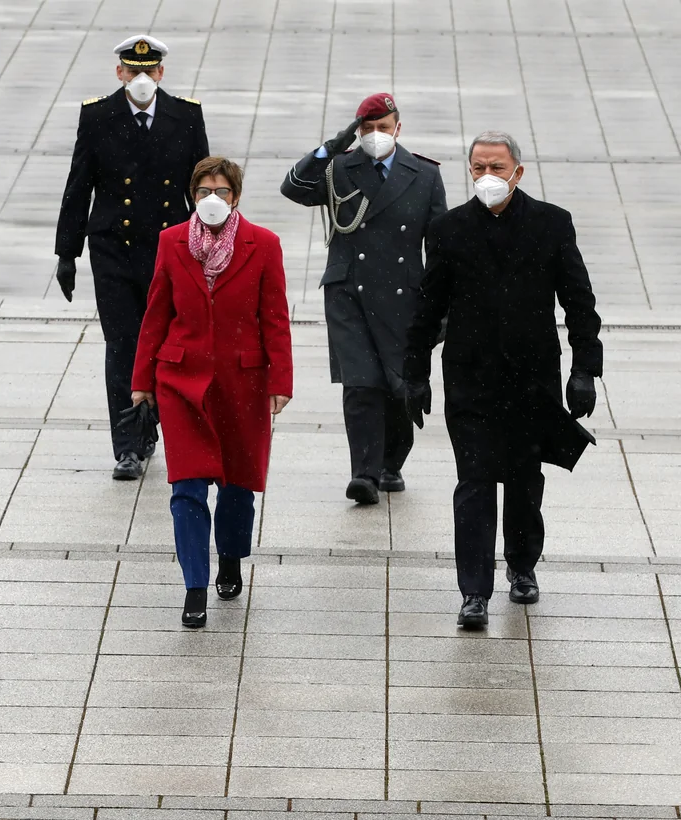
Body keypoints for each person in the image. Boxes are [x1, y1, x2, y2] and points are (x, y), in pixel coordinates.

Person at [404, 131, 602, 629]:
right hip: (470, 377)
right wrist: (415, 373)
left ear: (518, 170)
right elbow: (429, 306)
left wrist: (584, 369)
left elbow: (579, 300)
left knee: (523, 478)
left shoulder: (551, 223)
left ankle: (521, 565)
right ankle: (473, 591)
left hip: (532, 376)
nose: (487, 177)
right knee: (473, 482)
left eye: (496, 166)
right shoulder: (449, 230)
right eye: (477, 167)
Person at [131, 157, 293, 627]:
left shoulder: (263, 244)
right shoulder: (171, 241)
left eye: (221, 191)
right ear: (192, 195)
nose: (212, 199)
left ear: (236, 196)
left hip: (243, 382)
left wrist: (281, 379)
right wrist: (142, 379)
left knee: (238, 488)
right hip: (181, 381)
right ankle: (194, 586)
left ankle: (229, 557)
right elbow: (157, 313)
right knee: (187, 488)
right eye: (203, 191)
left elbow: (275, 317)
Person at [55, 34, 210, 480]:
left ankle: (153, 426)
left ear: (161, 73)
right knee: (122, 345)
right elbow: (79, 184)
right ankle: (128, 445)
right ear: (119, 72)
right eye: (132, 71)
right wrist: (68, 252)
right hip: (114, 250)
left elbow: (200, 187)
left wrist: (211, 247)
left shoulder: (186, 115)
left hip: (168, 250)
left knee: (164, 345)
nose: (142, 79)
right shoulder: (98, 115)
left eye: (150, 71)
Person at [280, 93, 447, 504]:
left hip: (402, 296)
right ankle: (364, 474)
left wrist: (440, 307)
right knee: (360, 384)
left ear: (398, 128)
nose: (376, 136)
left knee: (397, 384)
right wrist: (330, 147)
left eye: (383, 128)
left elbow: (440, 246)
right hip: (348, 292)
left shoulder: (424, 174)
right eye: (367, 129)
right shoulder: (339, 166)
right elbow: (294, 188)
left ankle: (391, 462)